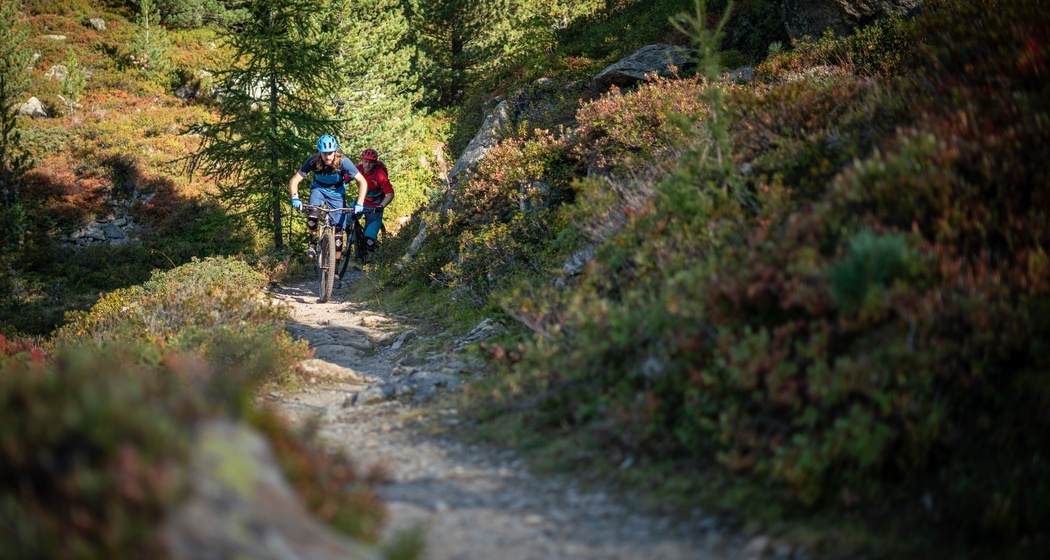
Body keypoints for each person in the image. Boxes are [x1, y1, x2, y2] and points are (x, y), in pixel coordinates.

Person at [288, 135, 368, 259]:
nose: (327, 156)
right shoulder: (313, 161)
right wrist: (295, 197)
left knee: (338, 234)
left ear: (335, 151)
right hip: (318, 190)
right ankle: (313, 244)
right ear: (319, 152)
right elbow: (295, 180)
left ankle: (335, 268)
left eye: (330, 153)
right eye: (324, 153)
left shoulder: (344, 162)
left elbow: (362, 181)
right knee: (313, 216)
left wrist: (360, 203)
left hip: (337, 193)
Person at [356, 147, 394, 262]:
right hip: (361, 201)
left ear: (375, 163)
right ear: (362, 161)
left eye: (370, 162)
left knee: (369, 240)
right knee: (346, 220)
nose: (367, 165)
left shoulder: (379, 174)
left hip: (375, 204)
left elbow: (390, 194)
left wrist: (381, 206)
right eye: (365, 161)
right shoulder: (358, 169)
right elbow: (344, 179)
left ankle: (369, 260)